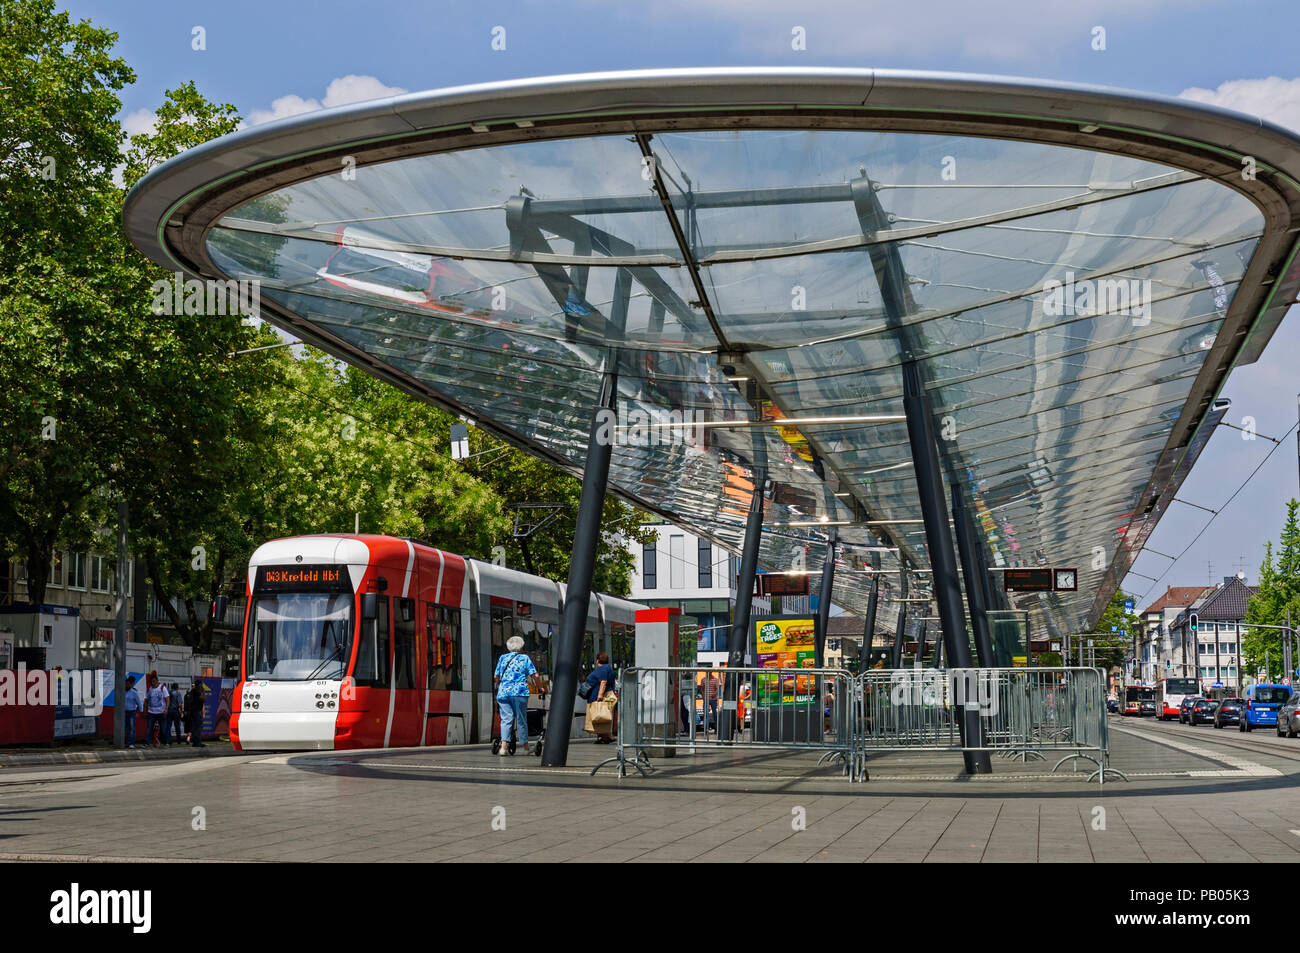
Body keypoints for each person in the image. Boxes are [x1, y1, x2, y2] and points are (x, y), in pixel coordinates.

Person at [493, 636, 540, 755]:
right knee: (521, 719)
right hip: (519, 692)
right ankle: (525, 748)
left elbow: (496, 677)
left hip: (503, 692)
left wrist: (502, 685)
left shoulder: (502, 658)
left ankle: (503, 748)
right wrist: (540, 687)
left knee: (506, 720)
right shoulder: (524, 658)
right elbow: (535, 676)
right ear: (521, 647)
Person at [582, 652, 617, 743]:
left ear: (597, 660)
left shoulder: (603, 669)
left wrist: (600, 695)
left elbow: (603, 682)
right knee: (600, 715)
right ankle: (603, 737)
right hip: (596, 696)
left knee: (600, 715)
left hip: (598, 697)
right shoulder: (607, 668)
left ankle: (607, 736)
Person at [144, 673, 169, 747]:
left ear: (157, 681)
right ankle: (147, 743)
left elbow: (167, 699)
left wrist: (166, 708)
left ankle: (166, 743)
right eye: (151, 682)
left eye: (154, 681)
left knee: (164, 729)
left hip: (161, 712)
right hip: (151, 712)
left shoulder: (162, 688)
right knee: (149, 728)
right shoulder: (149, 689)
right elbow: (146, 699)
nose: (153, 683)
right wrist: (146, 709)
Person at [185, 681, 207, 747]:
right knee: (198, 728)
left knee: (194, 728)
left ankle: (195, 742)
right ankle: (198, 742)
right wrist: (203, 692)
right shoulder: (198, 692)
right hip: (196, 712)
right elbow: (203, 699)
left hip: (192, 712)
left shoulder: (192, 692)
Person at [123, 676, 141, 749]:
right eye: (126, 684)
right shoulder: (122, 691)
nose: (126, 685)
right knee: (124, 728)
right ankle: (125, 742)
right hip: (124, 712)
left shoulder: (134, 692)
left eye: (128, 684)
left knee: (132, 728)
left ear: (131, 684)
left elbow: (139, 704)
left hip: (132, 712)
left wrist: (138, 712)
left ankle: (131, 743)